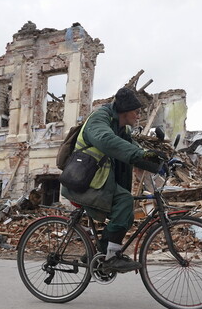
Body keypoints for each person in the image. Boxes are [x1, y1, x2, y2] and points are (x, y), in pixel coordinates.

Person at [60, 87, 165, 273]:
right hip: (82, 181)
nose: (139, 115)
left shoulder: (120, 127)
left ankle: (98, 253)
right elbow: (107, 140)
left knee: (127, 212)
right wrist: (141, 153)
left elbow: (131, 149)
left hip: (96, 181)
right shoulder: (99, 119)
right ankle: (111, 257)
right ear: (124, 110)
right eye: (136, 111)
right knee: (124, 201)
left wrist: (159, 163)